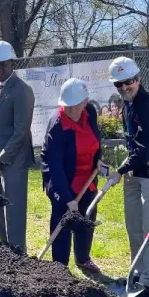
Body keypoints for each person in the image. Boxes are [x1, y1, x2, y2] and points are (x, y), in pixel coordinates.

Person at [106, 56, 149, 297]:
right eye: (119, 84)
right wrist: (125, 168)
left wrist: (120, 171)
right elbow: (134, 144)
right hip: (136, 163)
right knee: (133, 222)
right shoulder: (129, 105)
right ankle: (137, 271)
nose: (125, 87)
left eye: (129, 81)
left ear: (138, 79)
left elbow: (146, 146)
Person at [41, 79, 107, 272]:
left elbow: (95, 140)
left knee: (86, 217)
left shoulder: (90, 113)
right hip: (62, 178)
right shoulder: (57, 125)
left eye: (76, 105)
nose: (73, 110)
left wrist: (98, 160)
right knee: (62, 219)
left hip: (87, 177)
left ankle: (83, 258)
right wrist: (68, 199)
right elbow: (55, 165)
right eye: (68, 106)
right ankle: (60, 266)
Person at [0, 40, 34, 252]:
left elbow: (21, 131)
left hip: (14, 160)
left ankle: (17, 253)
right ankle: (6, 249)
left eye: (2, 64)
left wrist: (1, 159)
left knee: (13, 210)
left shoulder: (22, 91)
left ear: (12, 63)